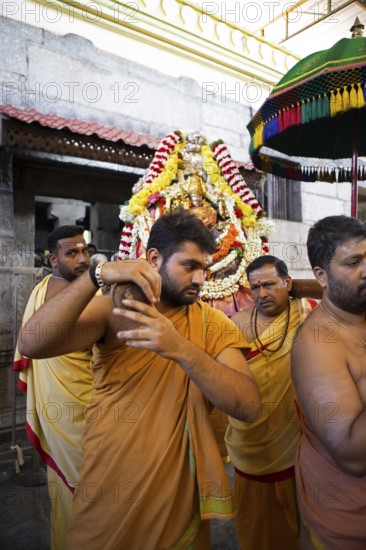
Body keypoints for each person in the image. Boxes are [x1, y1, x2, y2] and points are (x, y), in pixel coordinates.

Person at [18, 210, 261, 549]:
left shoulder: (212, 323)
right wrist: (96, 275)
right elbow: (32, 342)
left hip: (177, 501)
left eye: (204, 269)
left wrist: (179, 348)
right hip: (109, 487)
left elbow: (248, 406)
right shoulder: (116, 311)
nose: (199, 280)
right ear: (153, 258)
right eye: (189, 266)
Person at [225, 255, 317, 550]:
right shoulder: (237, 323)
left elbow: (347, 295)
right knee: (256, 532)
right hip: (249, 444)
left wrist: (299, 289)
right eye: (254, 287)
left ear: (287, 283)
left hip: (295, 446)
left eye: (269, 284)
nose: (261, 293)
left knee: (300, 528)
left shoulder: (308, 313)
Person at [13, 225, 94, 550]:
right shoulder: (51, 294)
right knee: (86, 492)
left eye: (84, 251)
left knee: (67, 490)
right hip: (75, 415)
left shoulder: (66, 290)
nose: (82, 259)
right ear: (52, 258)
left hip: (76, 409)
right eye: (71, 253)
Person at [291, 215, 366, 549]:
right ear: (321, 276)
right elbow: (352, 453)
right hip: (349, 519)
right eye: (354, 262)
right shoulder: (318, 343)